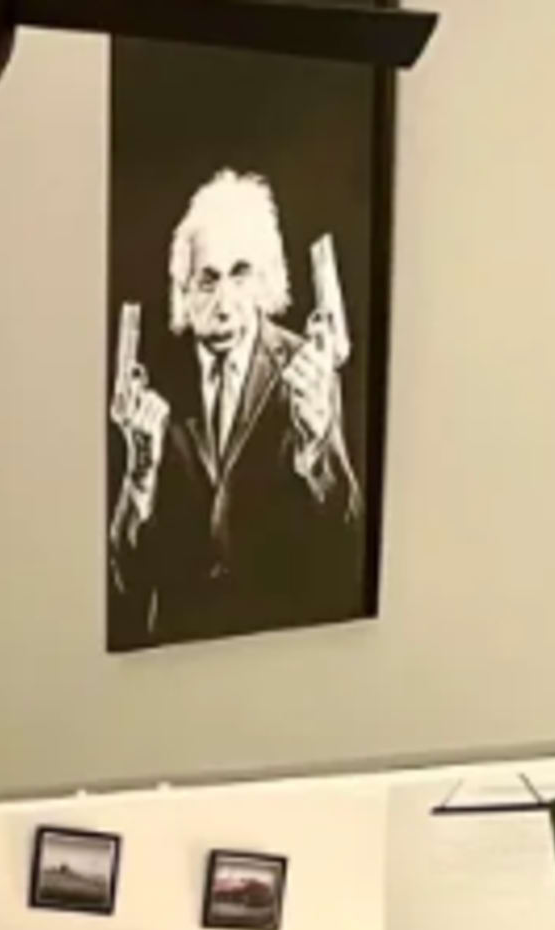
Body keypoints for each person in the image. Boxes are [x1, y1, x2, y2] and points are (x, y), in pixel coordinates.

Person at [111, 171, 366, 647]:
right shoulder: (152, 389)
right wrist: (140, 474)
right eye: (206, 283)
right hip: (173, 669)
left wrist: (316, 440)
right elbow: (126, 574)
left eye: (240, 275)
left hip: (284, 660)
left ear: (265, 281)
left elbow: (346, 544)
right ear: (182, 292)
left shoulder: (307, 369)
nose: (224, 305)